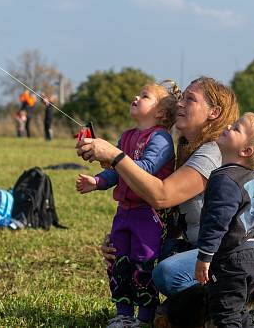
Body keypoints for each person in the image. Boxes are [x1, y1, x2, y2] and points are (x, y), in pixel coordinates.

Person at [77, 76, 254, 326]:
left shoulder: (214, 152)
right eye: (182, 98)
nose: (180, 104)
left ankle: (229, 308)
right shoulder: (186, 149)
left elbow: (161, 195)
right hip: (211, 246)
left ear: (214, 112)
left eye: (190, 99)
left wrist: (116, 156)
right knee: (143, 252)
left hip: (245, 255)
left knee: (166, 273)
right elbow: (170, 216)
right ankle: (198, 310)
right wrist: (122, 240)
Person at [76, 81, 179, 327]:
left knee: (143, 262)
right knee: (118, 261)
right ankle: (123, 314)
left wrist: (114, 156)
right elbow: (117, 171)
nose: (136, 96)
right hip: (124, 211)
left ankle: (144, 317)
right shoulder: (127, 136)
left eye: (144, 96)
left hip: (148, 214)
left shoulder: (161, 139)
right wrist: (98, 181)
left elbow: (143, 169)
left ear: (161, 113)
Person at [195, 112, 254, 327]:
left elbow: (217, 220)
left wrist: (205, 256)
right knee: (239, 312)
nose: (229, 125)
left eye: (237, 129)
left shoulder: (224, 179)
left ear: (246, 151)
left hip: (229, 260)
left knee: (226, 315)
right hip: (252, 255)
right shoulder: (249, 178)